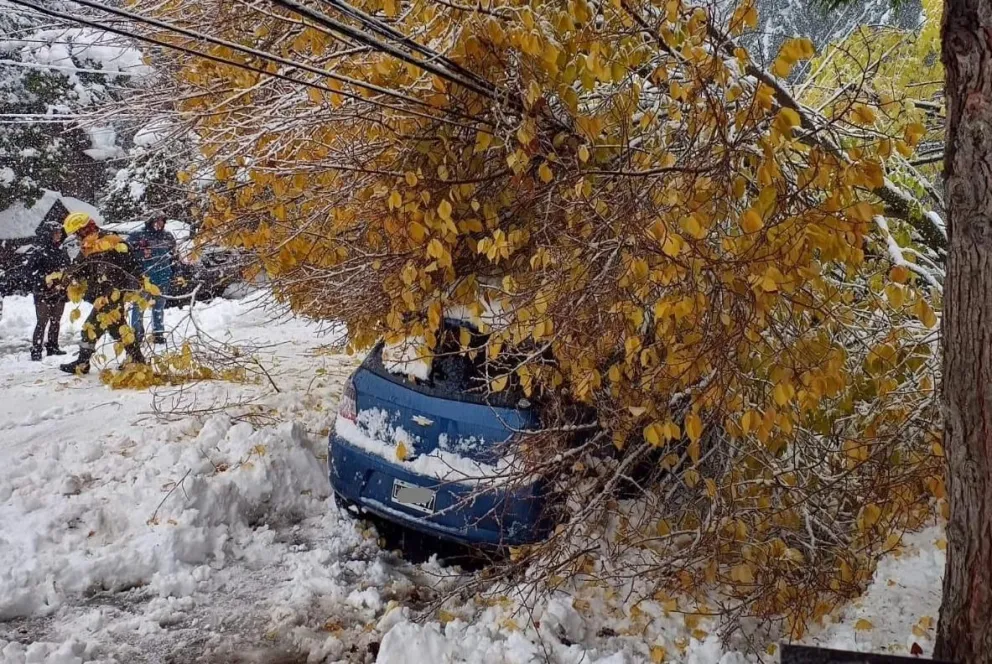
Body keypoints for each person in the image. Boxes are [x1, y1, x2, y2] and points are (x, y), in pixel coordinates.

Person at [59, 212, 145, 375]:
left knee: (90, 327)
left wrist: (124, 286)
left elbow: (128, 266)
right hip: (103, 294)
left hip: (112, 294)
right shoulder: (88, 244)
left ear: (84, 229)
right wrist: (69, 276)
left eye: (77, 233)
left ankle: (83, 363)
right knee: (116, 328)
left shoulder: (110, 241)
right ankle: (136, 359)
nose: (77, 237)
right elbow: (80, 266)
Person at [128, 211, 178, 345]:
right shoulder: (137, 236)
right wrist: (135, 271)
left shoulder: (167, 236)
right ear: (150, 221)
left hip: (163, 278)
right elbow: (127, 256)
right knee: (138, 308)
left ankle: (158, 333)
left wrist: (174, 273)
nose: (159, 224)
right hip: (143, 279)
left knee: (159, 307)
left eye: (162, 221)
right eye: (157, 221)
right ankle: (136, 334)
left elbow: (174, 256)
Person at [24, 220, 71, 361]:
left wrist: (65, 277)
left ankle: (53, 346)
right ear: (48, 234)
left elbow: (67, 266)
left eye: (59, 232)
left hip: (59, 290)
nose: (58, 235)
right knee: (42, 321)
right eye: (55, 232)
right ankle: (37, 349)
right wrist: (44, 278)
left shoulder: (62, 250)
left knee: (56, 320)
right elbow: (28, 273)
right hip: (42, 292)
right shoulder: (39, 252)